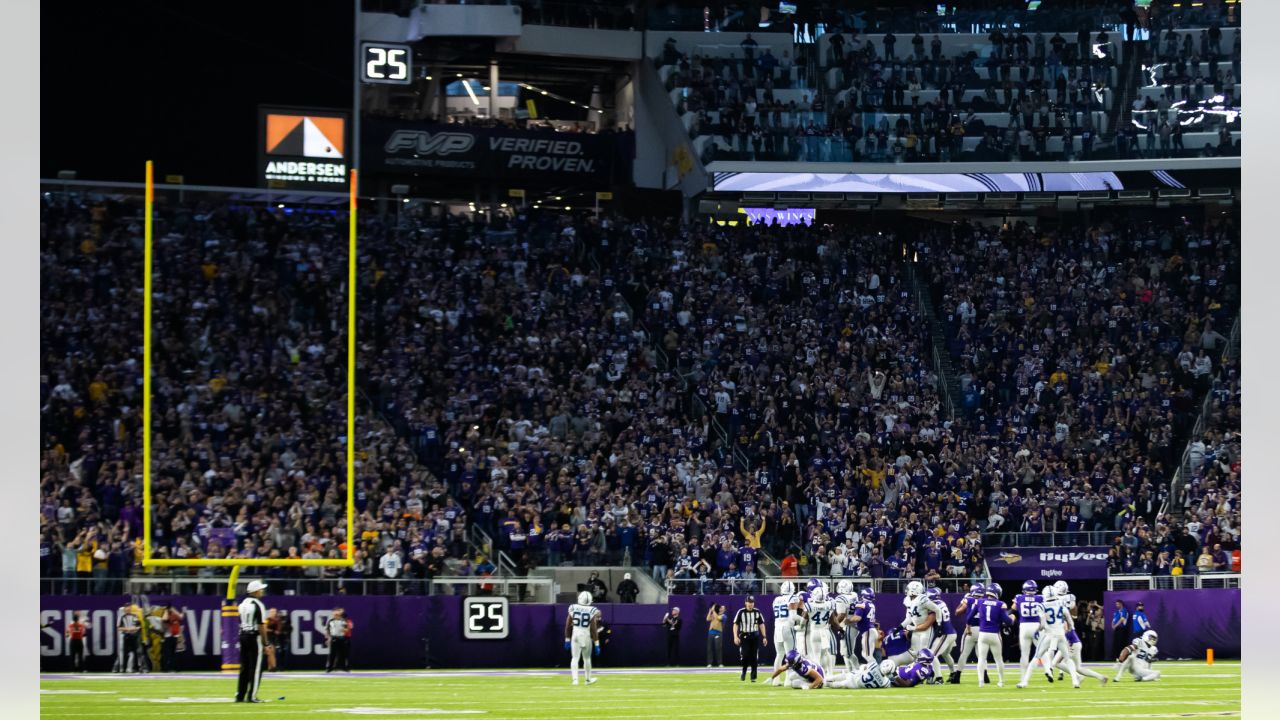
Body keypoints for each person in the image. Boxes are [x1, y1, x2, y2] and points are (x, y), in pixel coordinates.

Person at [1018, 585, 1081, 688]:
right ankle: (1075, 681)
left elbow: (1042, 624)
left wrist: (1038, 629)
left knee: (1036, 657)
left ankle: (1025, 682)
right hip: (1060, 634)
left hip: (1049, 635)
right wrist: (1070, 629)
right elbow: (1069, 619)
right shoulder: (1061, 604)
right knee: (1067, 658)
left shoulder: (1042, 606)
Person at [235, 579, 274, 703]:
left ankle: (240, 695)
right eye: (261, 589)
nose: (262, 591)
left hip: (243, 635)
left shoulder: (242, 604)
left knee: (244, 667)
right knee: (256, 668)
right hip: (253, 636)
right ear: (256, 591)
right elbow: (261, 626)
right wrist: (266, 643)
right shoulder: (258, 605)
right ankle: (252, 696)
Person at [971, 582, 1011, 687]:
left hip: (983, 634)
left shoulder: (980, 602)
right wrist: (1012, 618)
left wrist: (970, 625)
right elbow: (1008, 621)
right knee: (998, 659)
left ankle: (981, 682)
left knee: (981, 658)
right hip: (994, 634)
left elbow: (969, 617)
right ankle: (1001, 681)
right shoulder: (1000, 604)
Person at [565, 590, 600, 685]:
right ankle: (588, 680)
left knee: (575, 658)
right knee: (587, 658)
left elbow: (568, 626)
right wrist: (597, 643)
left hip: (575, 634)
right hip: (586, 635)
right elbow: (593, 629)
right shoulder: (592, 610)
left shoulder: (573, 608)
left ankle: (575, 680)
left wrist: (567, 639)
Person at [1012, 580, 1044, 680]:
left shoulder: (1019, 597)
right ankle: (1048, 670)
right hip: (1036, 626)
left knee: (1024, 654)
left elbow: (1013, 608)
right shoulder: (1040, 598)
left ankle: (1023, 676)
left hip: (1024, 626)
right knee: (1042, 651)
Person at [925, 587, 958, 682]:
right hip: (951, 632)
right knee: (946, 654)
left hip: (946, 634)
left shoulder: (934, 606)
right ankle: (953, 673)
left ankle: (939, 677)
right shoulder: (942, 603)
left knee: (932, 655)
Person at [733, 596, 767, 681]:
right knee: (745, 655)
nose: (750, 604)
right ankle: (744, 672)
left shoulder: (757, 612)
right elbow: (735, 624)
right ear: (745, 603)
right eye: (749, 602)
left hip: (754, 636)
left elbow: (761, 624)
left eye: (752, 602)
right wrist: (735, 636)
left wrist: (764, 637)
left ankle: (753, 676)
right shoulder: (741, 612)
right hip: (744, 636)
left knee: (754, 656)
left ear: (753, 603)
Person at [771, 581, 798, 681]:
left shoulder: (776, 599)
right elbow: (792, 617)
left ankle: (776, 680)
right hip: (787, 627)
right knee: (790, 655)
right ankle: (788, 680)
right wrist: (802, 621)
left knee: (779, 654)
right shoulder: (792, 598)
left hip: (777, 627)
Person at [116, 596, 142, 674]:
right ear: (124, 609)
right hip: (126, 636)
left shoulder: (135, 616)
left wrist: (135, 629)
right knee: (124, 653)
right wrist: (128, 629)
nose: (128, 609)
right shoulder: (122, 617)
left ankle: (136, 668)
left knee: (136, 652)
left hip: (133, 636)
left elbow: (139, 626)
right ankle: (123, 668)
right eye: (126, 607)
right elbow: (119, 628)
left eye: (129, 607)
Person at [325, 608, 351, 672]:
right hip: (334, 638)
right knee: (332, 654)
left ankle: (344, 667)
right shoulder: (330, 621)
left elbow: (347, 629)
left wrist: (344, 629)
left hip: (341, 638)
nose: (336, 615)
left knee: (343, 653)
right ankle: (329, 667)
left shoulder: (343, 620)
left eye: (338, 614)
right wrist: (328, 638)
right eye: (335, 614)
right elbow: (327, 630)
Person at [161, 604, 182, 673]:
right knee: (167, 653)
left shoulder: (174, 615)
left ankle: (174, 668)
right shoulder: (165, 614)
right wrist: (166, 610)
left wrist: (173, 609)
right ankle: (166, 668)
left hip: (174, 636)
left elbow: (180, 616)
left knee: (174, 653)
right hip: (167, 636)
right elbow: (164, 619)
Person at [706, 604, 726, 668]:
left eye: (723, 608)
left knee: (718, 648)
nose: (721, 609)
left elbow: (718, 618)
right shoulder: (714, 614)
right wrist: (710, 611)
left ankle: (720, 663)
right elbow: (708, 619)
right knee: (710, 648)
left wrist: (713, 610)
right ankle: (709, 663)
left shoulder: (724, 616)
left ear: (725, 610)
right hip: (711, 632)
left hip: (718, 633)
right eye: (720, 608)